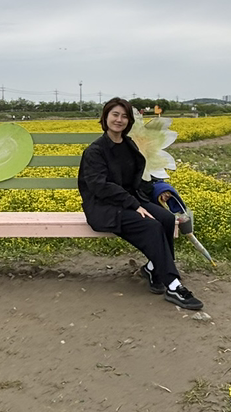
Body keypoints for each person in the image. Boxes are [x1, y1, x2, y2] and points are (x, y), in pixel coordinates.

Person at [77, 97, 204, 311]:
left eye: (124, 116)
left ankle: (153, 268)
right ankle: (173, 285)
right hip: (104, 207)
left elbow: (137, 179)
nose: (119, 120)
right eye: (115, 114)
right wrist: (135, 205)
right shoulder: (95, 151)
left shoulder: (129, 145)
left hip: (129, 200)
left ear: (129, 121)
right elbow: (100, 187)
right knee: (151, 226)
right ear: (105, 117)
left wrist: (157, 191)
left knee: (166, 219)